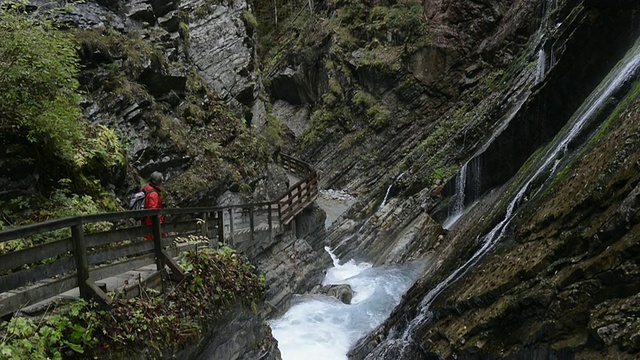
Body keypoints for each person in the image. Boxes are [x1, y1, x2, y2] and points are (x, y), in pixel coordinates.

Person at [142, 171, 164, 240]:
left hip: (145, 222)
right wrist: (159, 222)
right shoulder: (153, 194)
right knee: (155, 243)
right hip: (152, 224)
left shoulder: (145, 188)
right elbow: (153, 211)